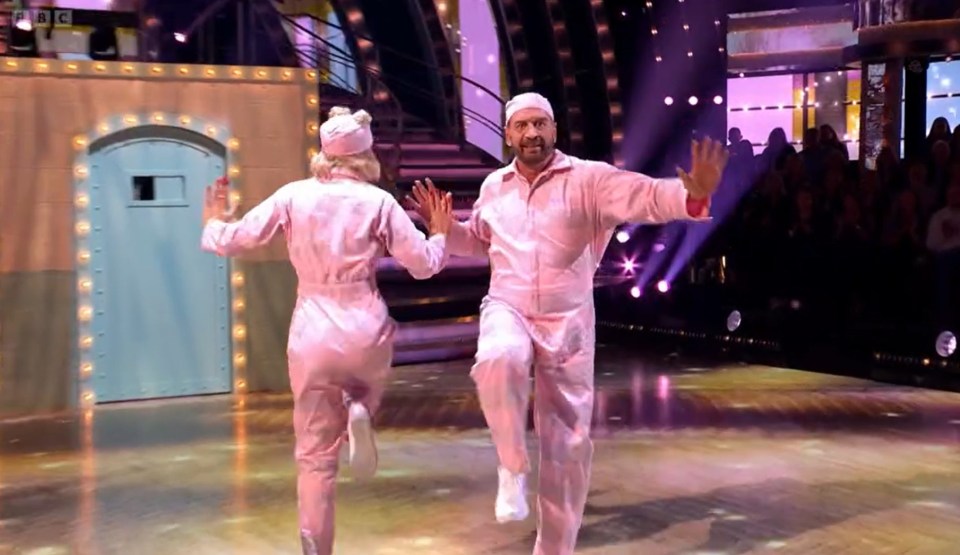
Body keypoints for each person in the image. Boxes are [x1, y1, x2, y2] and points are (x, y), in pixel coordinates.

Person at [408, 92, 727, 555]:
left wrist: (691, 195)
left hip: (569, 321)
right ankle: (512, 466)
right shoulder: (494, 187)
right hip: (509, 306)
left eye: (540, 124)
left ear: (554, 130)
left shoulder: (589, 179)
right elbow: (479, 242)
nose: (532, 133)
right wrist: (443, 229)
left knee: (567, 448)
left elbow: (647, 196)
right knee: (498, 358)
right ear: (508, 134)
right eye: (522, 126)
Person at [200, 106, 453, 555]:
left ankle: (316, 547)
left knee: (314, 457)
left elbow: (237, 240)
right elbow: (423, 267)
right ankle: (361, 407)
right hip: (364, 321)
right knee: (364, 381)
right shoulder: (379, 202)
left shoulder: (293, 195)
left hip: (314, 327)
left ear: (325, 152)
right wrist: (438, 233)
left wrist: (215, 220)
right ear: (365, 155)